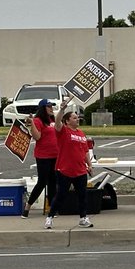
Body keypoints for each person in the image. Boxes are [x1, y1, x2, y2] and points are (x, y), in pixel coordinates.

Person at [45, 101, 95, 229]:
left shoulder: (81, 134)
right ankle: (50, 217)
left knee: (82, 196)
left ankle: (83, 218)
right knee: (61, 195)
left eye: (77, 117)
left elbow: (85, 151)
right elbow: (57, 123)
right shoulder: (63, 131)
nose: (77, 119)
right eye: (74, 117)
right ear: (67, 121)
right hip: (64, 170)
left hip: (80, 170)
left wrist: (89, 165)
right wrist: (61, 110)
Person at [22, 98, 58, 218]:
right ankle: (28, 205)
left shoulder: (53, 120)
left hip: (55, 154)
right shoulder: (38, 120)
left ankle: (52, 208)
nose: (51, 108)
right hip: (43, 155)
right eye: (49, 106)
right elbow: (37, 137)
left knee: (53, 181)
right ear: (43, 108)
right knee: (42, 181)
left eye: (52, 106)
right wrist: (32, 123)